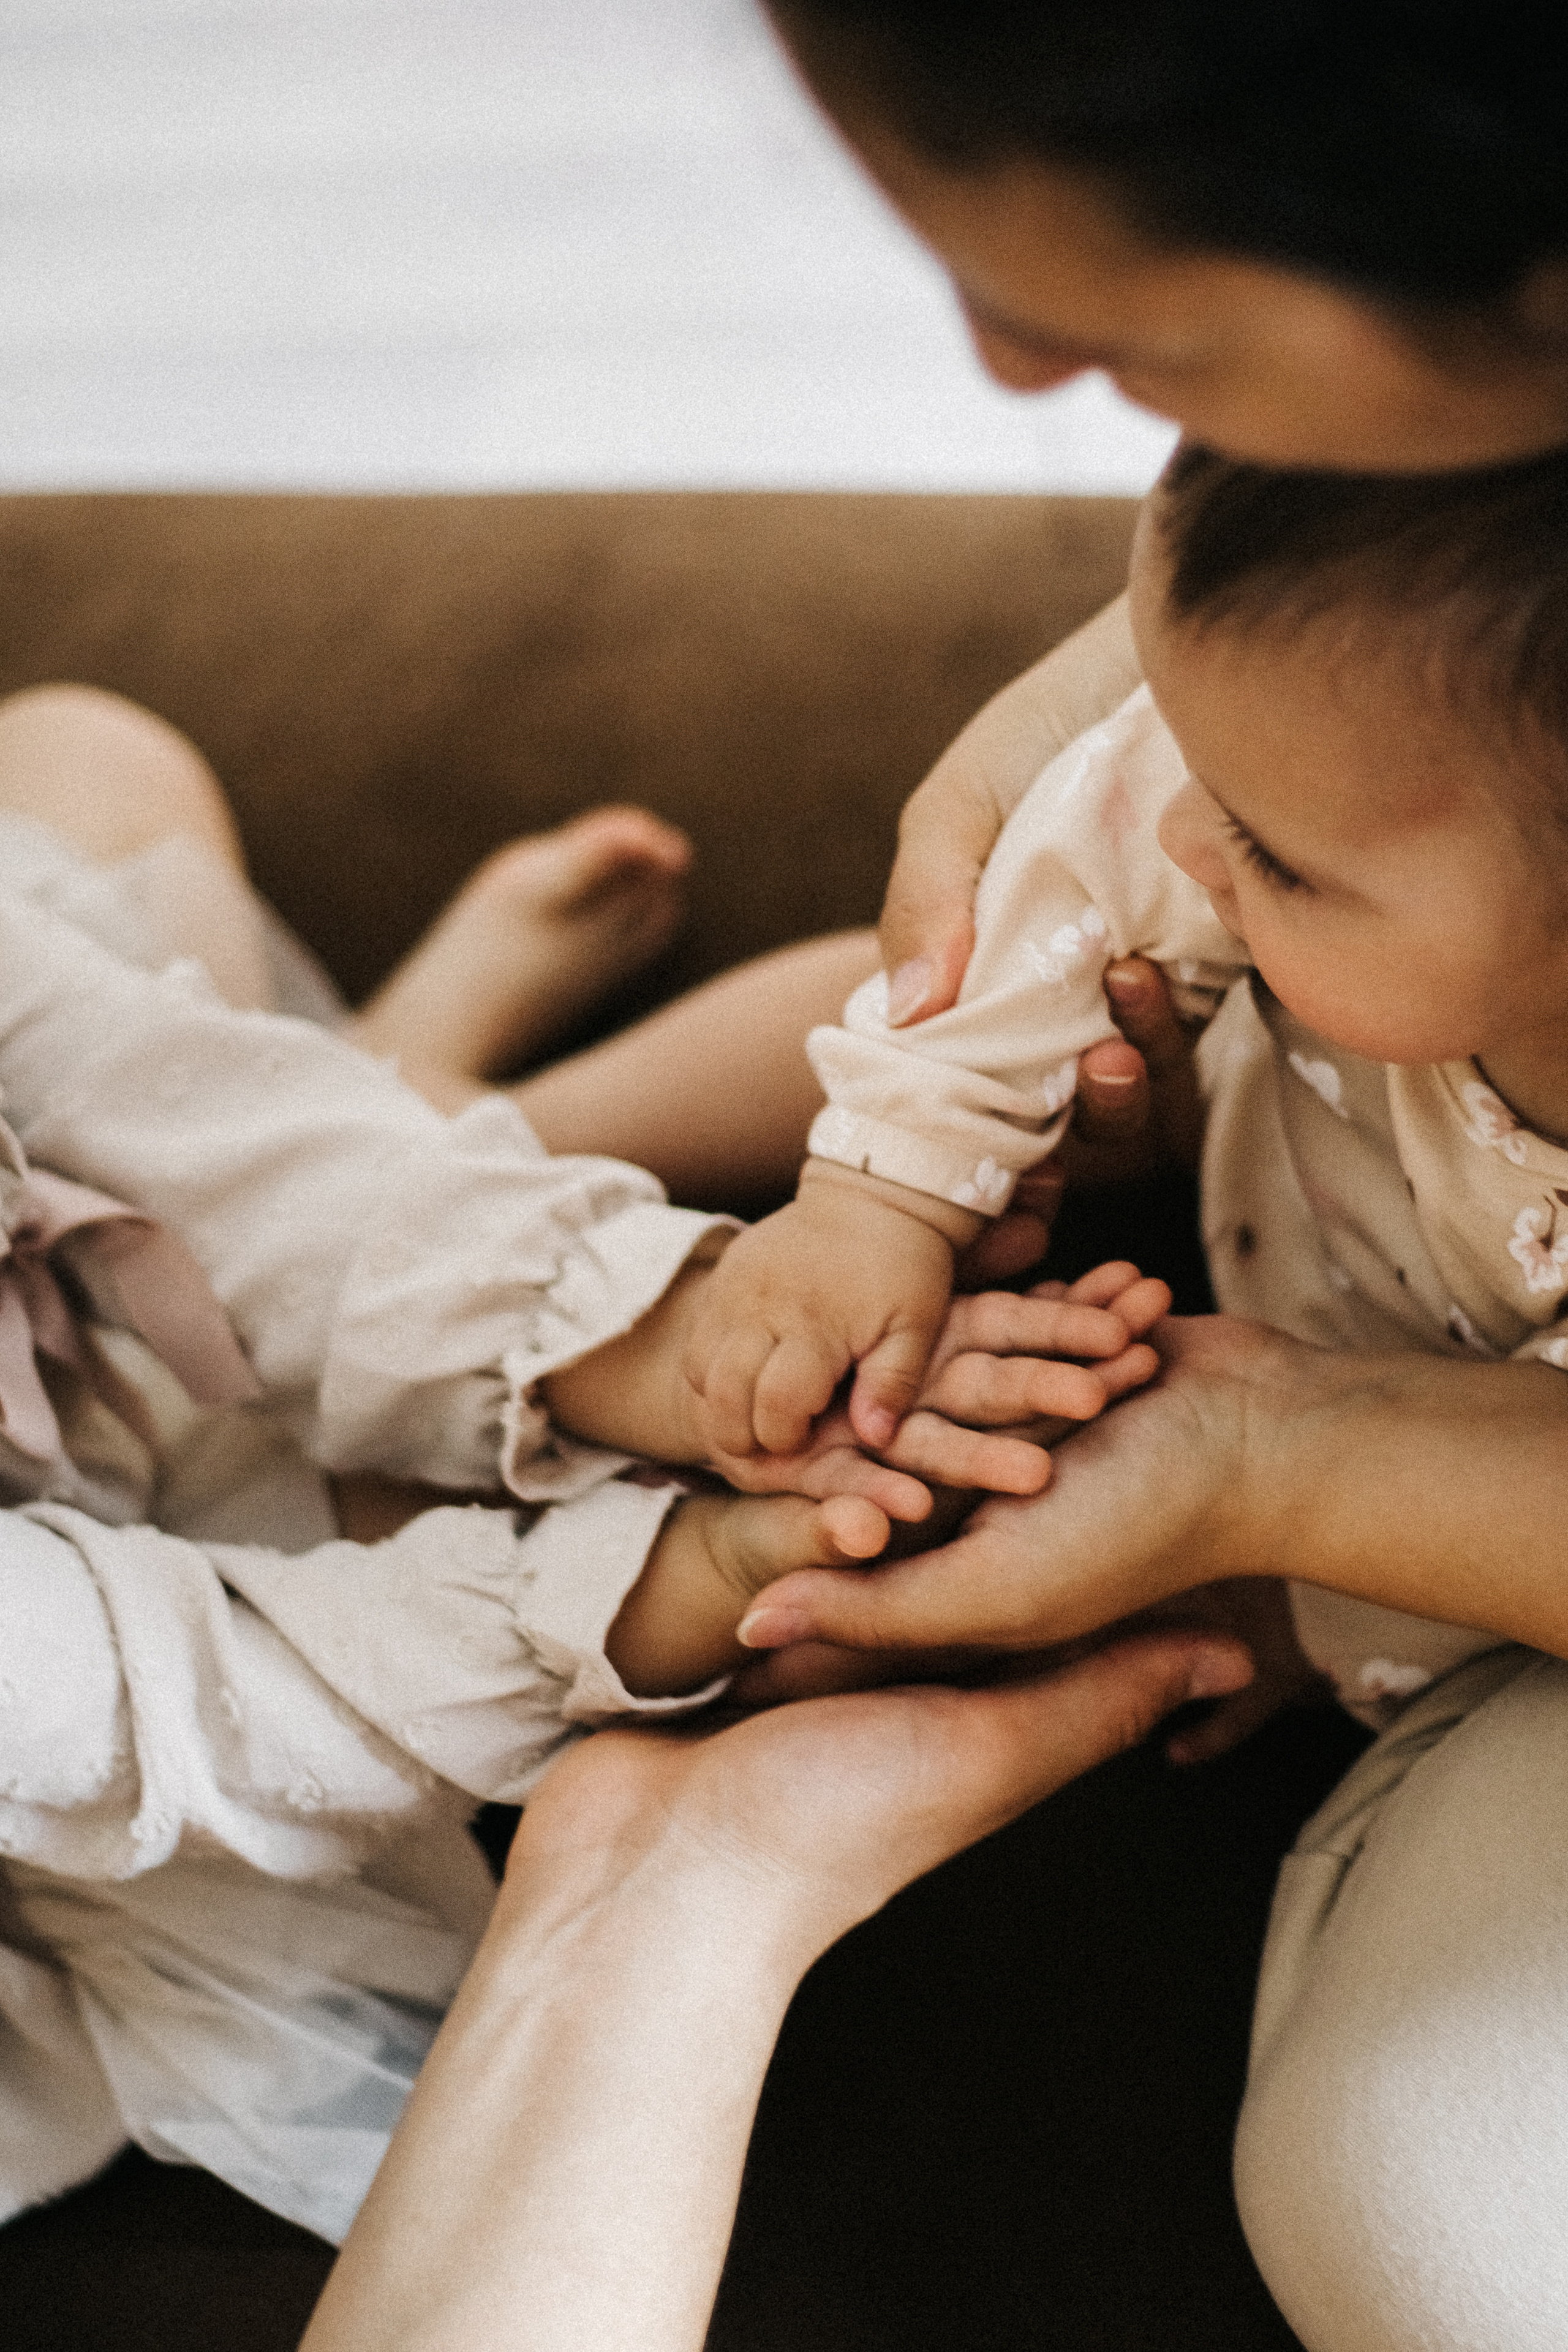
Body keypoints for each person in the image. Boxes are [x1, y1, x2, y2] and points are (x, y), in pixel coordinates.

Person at [0, 681, 1167, 2237]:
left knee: (83, 757)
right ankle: (423, 1097)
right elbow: (212, 1696)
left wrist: (685, 1340)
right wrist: (678, 1580)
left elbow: (141, 1090)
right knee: (666, 1568)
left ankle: (423, 1085)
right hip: (84, 1734)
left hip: (83, 1356)